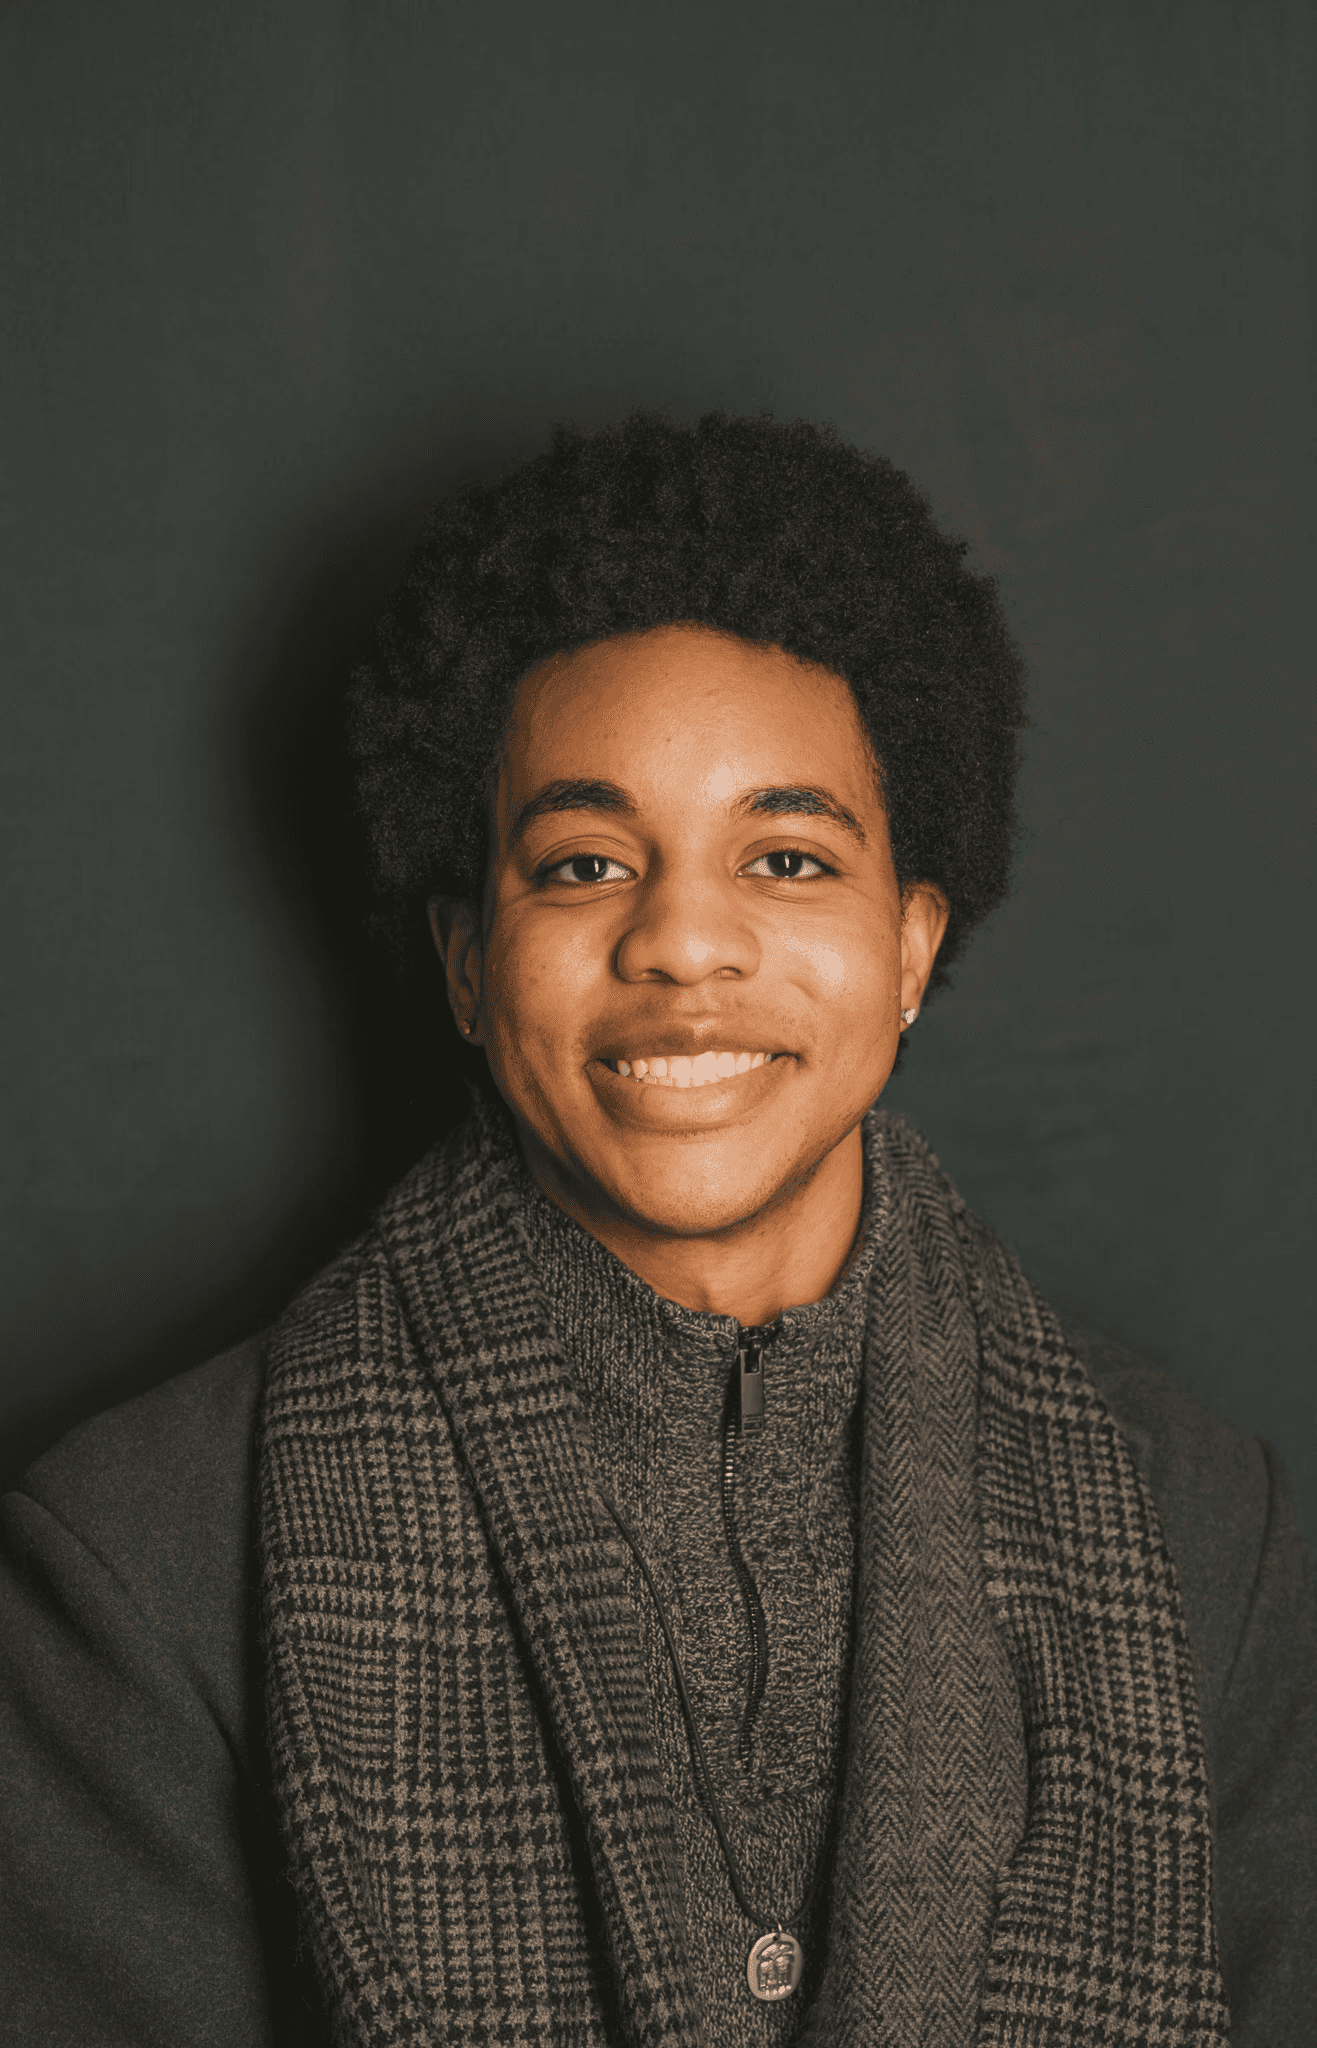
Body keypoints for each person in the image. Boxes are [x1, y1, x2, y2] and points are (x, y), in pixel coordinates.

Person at [2, 411, 1312, 2048]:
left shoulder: (1215, 1537)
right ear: (470, 965)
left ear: (911, 946)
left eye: (784, 855)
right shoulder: (138, 1567)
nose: (685, 941)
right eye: (585, 863)